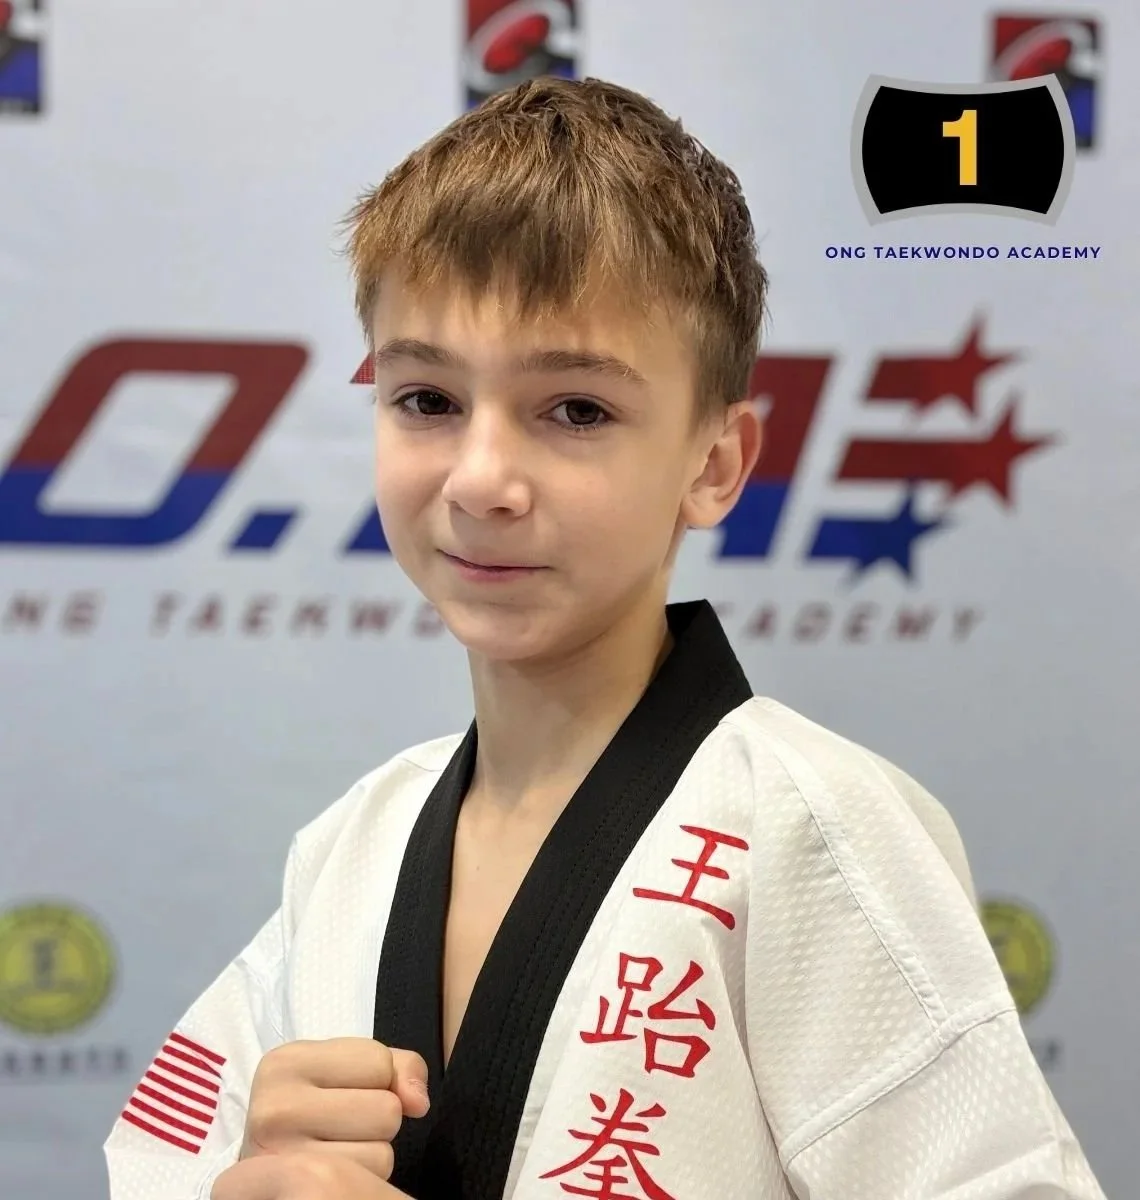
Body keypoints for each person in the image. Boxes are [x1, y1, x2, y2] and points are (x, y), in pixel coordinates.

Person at [103, 76, 1105, 1200]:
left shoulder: (810, 828)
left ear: (714, 463)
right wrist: (248, 1177)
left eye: (576, 410)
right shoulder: (353, 844)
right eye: (426, 399)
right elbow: (164, 1152)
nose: (483, 480)